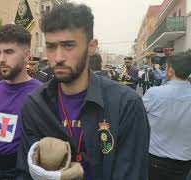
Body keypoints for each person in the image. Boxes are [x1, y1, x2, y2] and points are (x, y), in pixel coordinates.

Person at [16, 3, 150, 180]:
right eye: (51, 46)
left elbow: (132, 173)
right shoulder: (35, 104)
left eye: (68, 45)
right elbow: (25, 172)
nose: (58, 57)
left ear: (92, 46)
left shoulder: (126, 105)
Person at [0, 24, 42, 179]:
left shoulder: (41, 95)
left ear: (27, 55)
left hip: (22, 171)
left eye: (9, 52)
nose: (1, 59)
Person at [143, 51, 191, 180]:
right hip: (185, 162)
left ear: (170, 71)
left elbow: (138, 118)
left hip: (156, 159)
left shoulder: (154, 93)